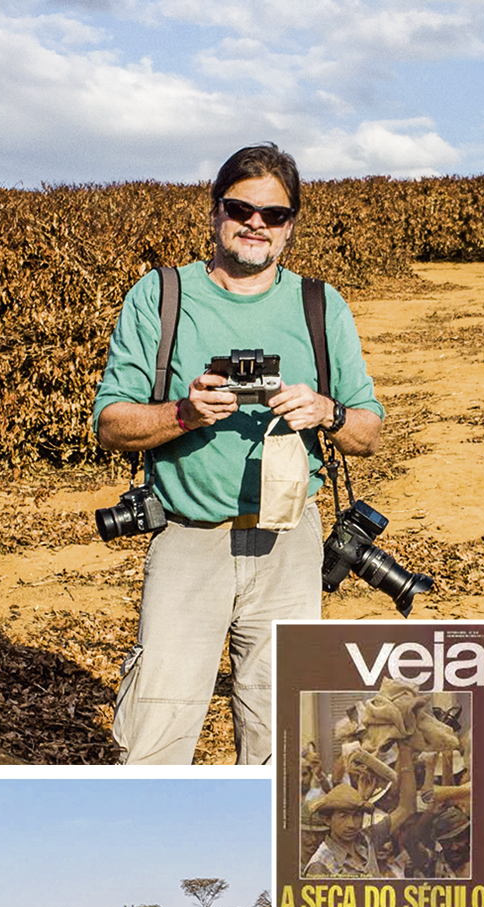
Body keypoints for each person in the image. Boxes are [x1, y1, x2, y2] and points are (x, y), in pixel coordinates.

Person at [93, 143, 384, 765]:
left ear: (291, 226)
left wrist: (325, 412)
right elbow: (111, 422)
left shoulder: (320, 304)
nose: (256, 223)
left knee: (287, 744)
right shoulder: (161, 295)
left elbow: (368, 429)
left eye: (274, 215)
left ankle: (264, 858)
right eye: (241, 207)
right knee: (155, 736)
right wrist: (183, 412)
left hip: (290, 545)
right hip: (187, 540)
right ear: (215, 210)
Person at [303, 743, 416, 878]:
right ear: (327, 820)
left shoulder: (366, 840)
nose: (351, 824)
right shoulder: (320, 865)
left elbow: (407, 807)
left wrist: (405, 749)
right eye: (343, 816)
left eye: (356, 815)